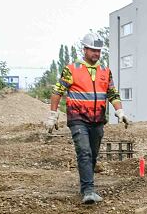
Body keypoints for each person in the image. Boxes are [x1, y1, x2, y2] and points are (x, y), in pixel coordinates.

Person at [44, 34, 129, 205]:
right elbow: (57, 91)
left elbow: (112, 93)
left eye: (98, 51)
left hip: (97, 119)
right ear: (84, 50)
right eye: (92, 50)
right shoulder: (72, 69)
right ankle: (89, 190)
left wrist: (120, 111)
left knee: (93, 154)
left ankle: (85, 186)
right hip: (78, 118)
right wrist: (53, 115)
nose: (96, 54)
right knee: (84, 152)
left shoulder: (105, 71)